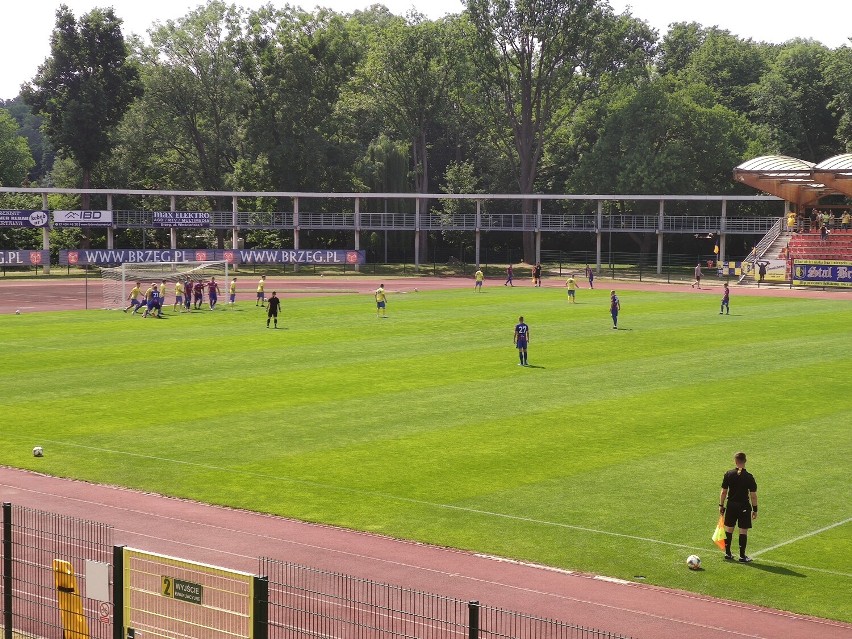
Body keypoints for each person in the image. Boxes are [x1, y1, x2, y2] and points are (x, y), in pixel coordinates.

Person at [719, 451, 758, 563]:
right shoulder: (749, 477)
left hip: (731, 505)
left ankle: (728, 553)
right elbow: (753, 496)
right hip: (744, 506)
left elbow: (723, 492)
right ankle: (742, 556)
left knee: (729, 529)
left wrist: (721, 505)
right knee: (743, 531)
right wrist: (755, 510)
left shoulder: (728, 474)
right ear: (745, 461)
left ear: (735, 461)